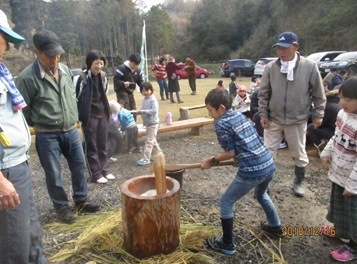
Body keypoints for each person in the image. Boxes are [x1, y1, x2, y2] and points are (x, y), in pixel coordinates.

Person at [16, 29, 100, 224]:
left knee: (79, 167)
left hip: (71, 130)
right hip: (47, 135)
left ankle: (81, 200)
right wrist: (39, 122)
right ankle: (62, 207)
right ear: (37, 52)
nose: (56, 58)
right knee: (53, 173)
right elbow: (22, 110)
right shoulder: (27, 78)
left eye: (58, 53)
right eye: (50, 54)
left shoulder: (65, 70)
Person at [201, 89, 282, 255]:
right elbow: (246, 143)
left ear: (221, 108)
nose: (210, 114)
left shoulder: (221, 123)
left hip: (253, 169)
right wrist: (238, 158)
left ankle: (227, 244)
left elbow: (230, 152)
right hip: (268, 163)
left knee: (226, 202)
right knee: (261, 195)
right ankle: (275, 227)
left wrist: (212, 160)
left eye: (210, 110)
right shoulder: (239, 115)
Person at [0, 9, 47, 263]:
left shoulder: (1, 72)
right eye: (3, 38)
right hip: (4, 171)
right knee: (12, 245)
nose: (7, 47)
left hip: (18, 164)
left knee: (30, 235)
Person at [258, 31, 326, 197]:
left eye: (285, 48)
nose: (281, 52)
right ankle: (264, 184)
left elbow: (318, 93)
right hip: (273, 118)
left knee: (298, 153)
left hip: (297, 119)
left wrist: (318, 113)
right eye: (279, 48)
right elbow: (263, 94)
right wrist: (263, 114)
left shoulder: (309, 67)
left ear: (296, 47)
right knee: (268, 152)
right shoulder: (270, 68)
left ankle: (298, 182)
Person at [320, 77, 357, 262]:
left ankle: (353, 246)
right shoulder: (342, 115)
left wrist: (352, 185)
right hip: (339, 173)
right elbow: (336, 137)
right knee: (339, 206)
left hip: (353, 181)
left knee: (354, 213)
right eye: (342, 97)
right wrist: (326, 153)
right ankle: (340, 230)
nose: (343, 102)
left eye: (349, 99)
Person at [75, 50, 115, 184]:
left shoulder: (103, 76)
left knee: (103, 144)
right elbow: (77, 97)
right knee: (91, 145)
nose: (99, 66)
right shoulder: (82, 78)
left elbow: (104, 93)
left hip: (102, 113)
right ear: (89, 63)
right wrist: (80, 116)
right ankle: (95, 173)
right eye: (96, 63)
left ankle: (105, 170)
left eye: (101, 63)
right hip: (89, 116)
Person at [133, 82, 163, 166]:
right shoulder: (144, 100)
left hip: (153, 123)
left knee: (149, 141)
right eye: (143, 91)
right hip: (147, 123)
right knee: (152, 140)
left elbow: (154, 111)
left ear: (151, 90)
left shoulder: (153, 99)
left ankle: (146, 158)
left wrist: (142, 111)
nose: (145, 92)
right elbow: (143, 111)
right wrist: (136, 112)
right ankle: (159, 155)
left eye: (147, 90)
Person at [307, 92, 341, 157]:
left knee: (311, 127)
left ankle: (321, 149)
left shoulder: (327, 106)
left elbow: (319, 123)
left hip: (334, 134)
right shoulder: (337, 105)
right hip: (336, 131)